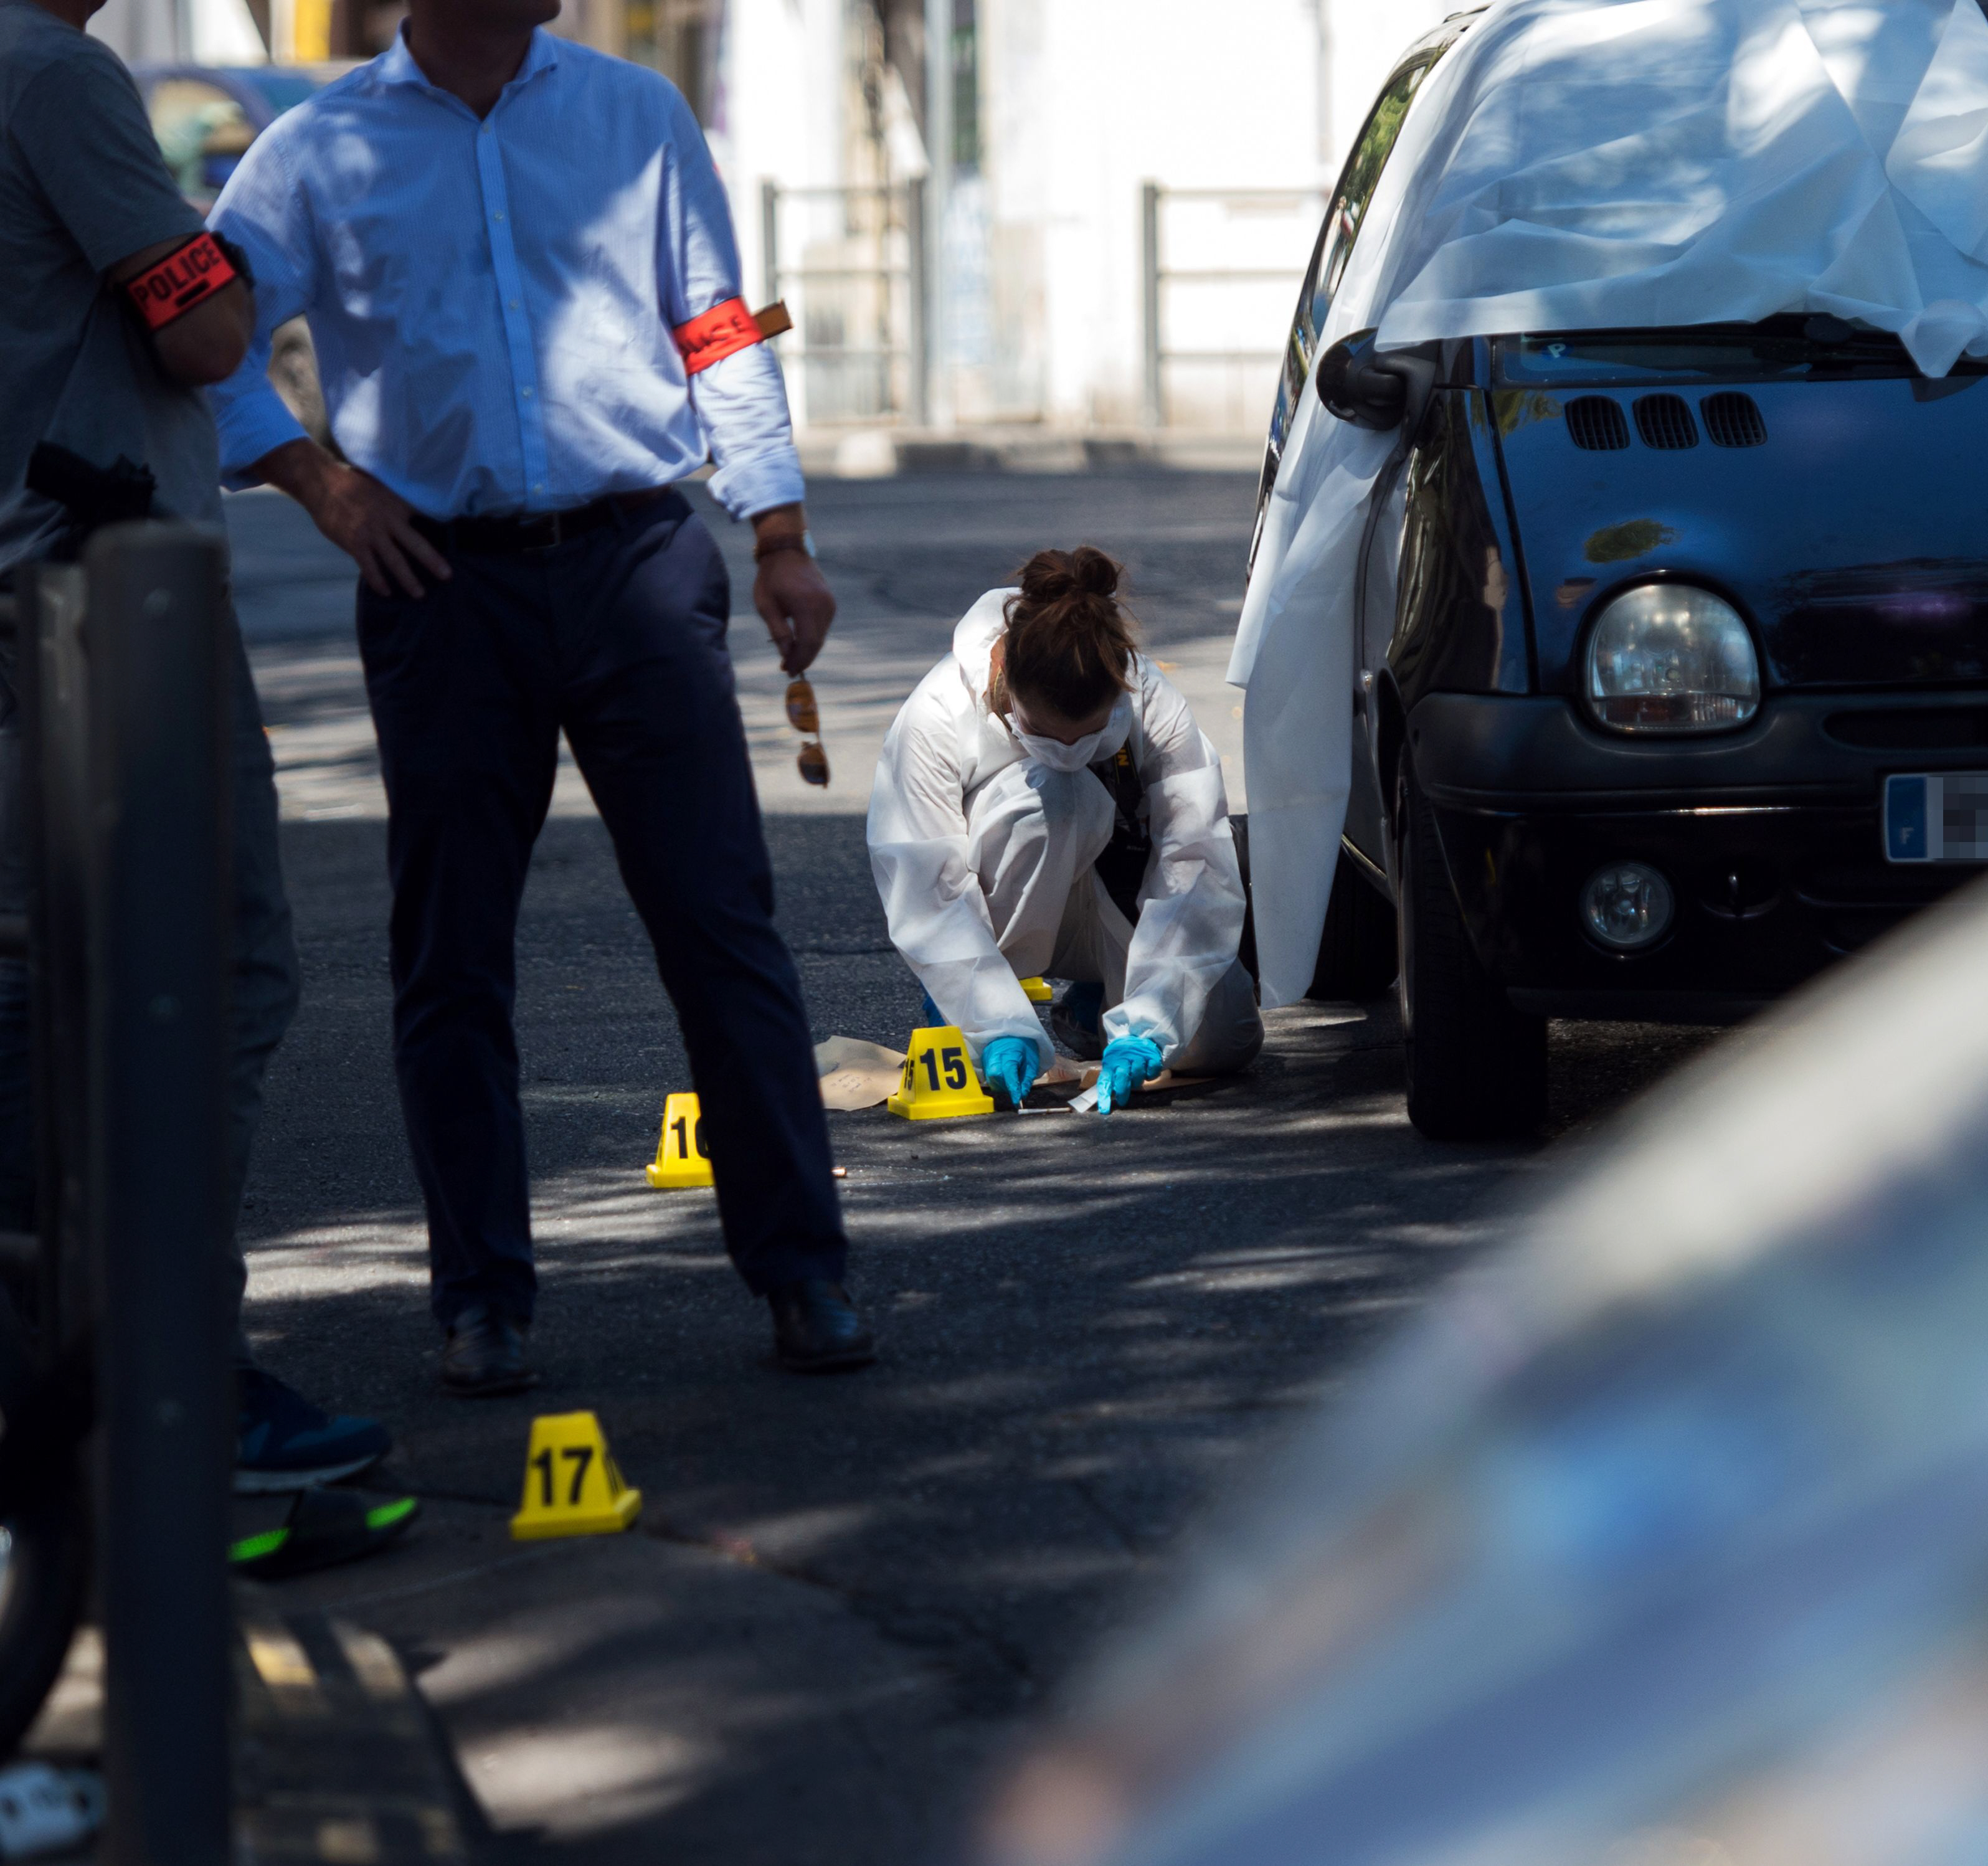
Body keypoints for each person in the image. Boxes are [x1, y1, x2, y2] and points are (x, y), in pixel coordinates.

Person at [204, 0, 873, 1390]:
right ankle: (481, 1299)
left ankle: (805, 1267)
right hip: (441, 585)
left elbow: (717, 325)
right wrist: (322, 482)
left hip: (636, 557)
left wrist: (779, 531)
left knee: (720, 918)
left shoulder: (637, 117)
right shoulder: (314, 151)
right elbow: (197, 352)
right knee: (451, 953)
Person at [0, 0, 390, 1486]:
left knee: (47, 983)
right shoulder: (55, 74)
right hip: (105, 597)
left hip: (38, 594)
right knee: (206, 971)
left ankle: (64, 1379)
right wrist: (207, 251)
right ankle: (159, 1387)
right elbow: (210, 331)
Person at [869, 547, 1262, 1115]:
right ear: (1000, 669)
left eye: (1091, 736)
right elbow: (927, 885)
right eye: (1042, 734)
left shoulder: (1150, 699)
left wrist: (1151, 1022)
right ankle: (975, 1009)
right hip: (1008, 903)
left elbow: (1194, 860)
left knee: (1221, 1040)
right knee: (1056, 793)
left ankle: (1097, 1004)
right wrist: (989, 1020)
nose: (1070, 751)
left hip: (1111, 888)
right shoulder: (936, 715)